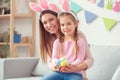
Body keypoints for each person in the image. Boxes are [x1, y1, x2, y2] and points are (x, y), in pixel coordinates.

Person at [39, 9, 94, 80]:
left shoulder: (79, 37)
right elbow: (51, 61)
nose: (49, 25)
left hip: (76, 73)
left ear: (58, 20)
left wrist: (74, 67)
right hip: (59, 71)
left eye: (51, 20)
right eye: (45, 22)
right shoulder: (52, 41)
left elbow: (88, 59)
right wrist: (57, 66)